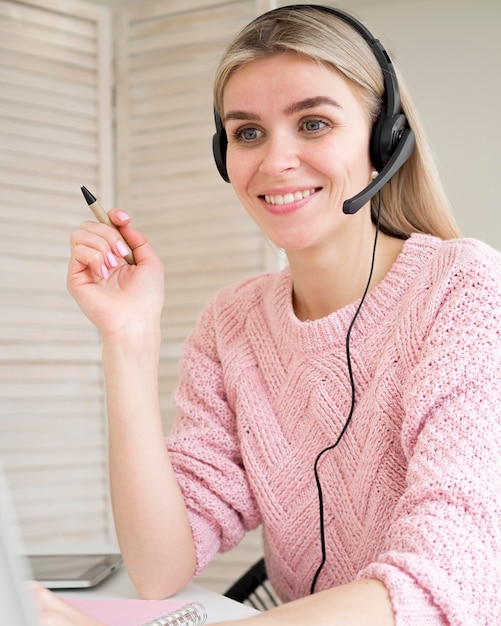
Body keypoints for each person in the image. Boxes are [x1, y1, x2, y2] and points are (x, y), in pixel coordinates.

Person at [37, 4, 501, 625]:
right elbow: (158, 567)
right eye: (248, 133)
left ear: (382, 139)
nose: (276, 161)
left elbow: (447, 578)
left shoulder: (464, 290)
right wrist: (128, 336)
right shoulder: (232, 323)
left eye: (313, 123)